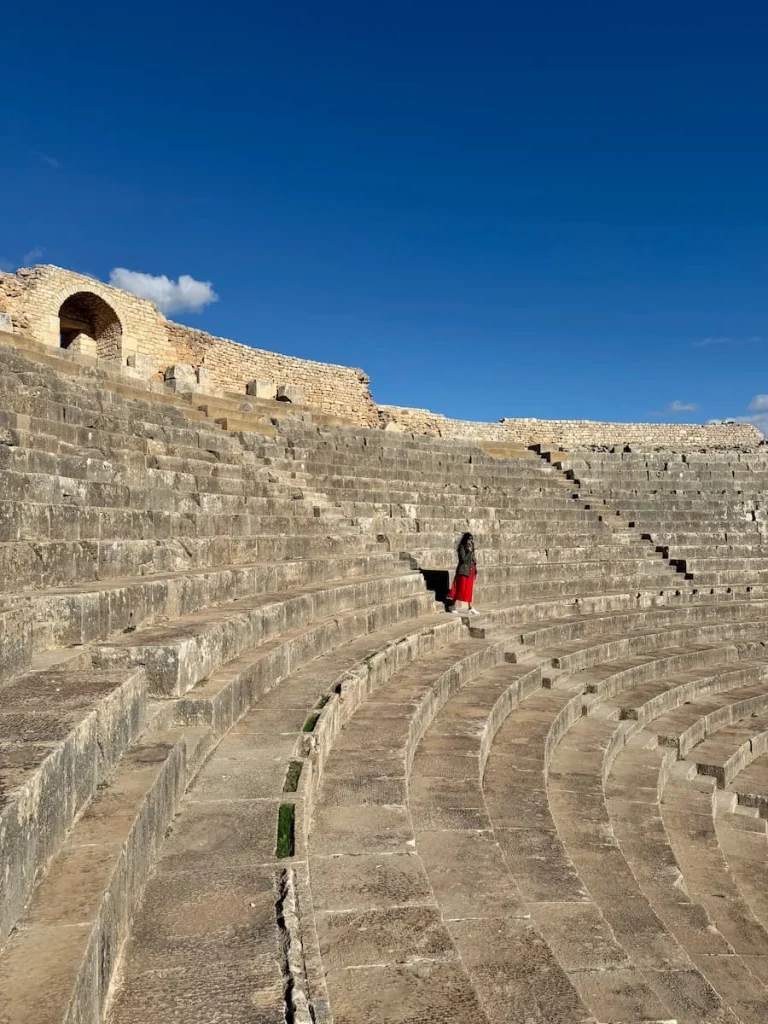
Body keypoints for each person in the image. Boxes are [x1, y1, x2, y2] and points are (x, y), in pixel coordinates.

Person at [446, 532, 479, 615]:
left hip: (470, 572)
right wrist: (469, 552)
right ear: (465, 539)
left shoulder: (471, 547)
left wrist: (474, 559)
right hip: (463, 572)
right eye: (469, 539)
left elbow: (472, 559)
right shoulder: (462, 547)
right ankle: (452, 605)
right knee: (459, 589)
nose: (470, 541)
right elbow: (463, 560)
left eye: (471, 539)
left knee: (468, 590)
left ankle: (470, 607)